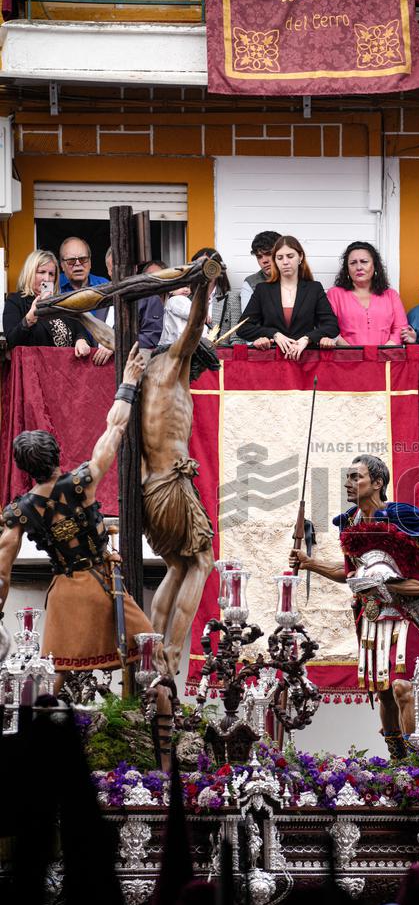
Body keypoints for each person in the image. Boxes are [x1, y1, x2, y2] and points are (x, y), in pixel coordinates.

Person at [0, 345, 153, 692]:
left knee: (56, 676)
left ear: (26, 468)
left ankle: (46, 739)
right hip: (102, 583)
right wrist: (128, 381)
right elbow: (115, 427)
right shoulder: (82, 483)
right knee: (149, 653)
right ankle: (160, 736)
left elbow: (1, 573)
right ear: (55, 453)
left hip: (66, 591)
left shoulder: (19, 513)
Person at [289, 455, 419, 760]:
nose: (349, 483)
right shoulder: (351, 524)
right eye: (348, 477)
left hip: (408, 617)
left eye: (356, 477)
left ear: (377, 483)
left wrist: (384, 585)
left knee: (404, 688)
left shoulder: (404, 521)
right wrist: (310, 563)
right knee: (384, 694)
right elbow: (350, 573)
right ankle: (399, 761)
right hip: (372, 619)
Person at [141, 264, 217, 676]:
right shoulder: (172, 366)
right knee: (201, 563)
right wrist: (204, 286)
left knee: (176, 565)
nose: (202, 370)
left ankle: (152, 646)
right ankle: (171, 651)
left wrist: (76, 313)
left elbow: (105, 336)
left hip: (149, 488)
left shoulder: (140, 370)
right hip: (171, 483)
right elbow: (190, 331)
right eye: (202, 362)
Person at [241, 236, 339, 360]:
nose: (285, 262)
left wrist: (307, 338)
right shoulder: (263, 290)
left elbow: (332, 325)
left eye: (290, 256)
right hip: (272, 361)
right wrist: (274, 334)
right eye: (280, 258)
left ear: (300, 257)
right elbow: (243, 327)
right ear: (275, 261)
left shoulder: (314, 288)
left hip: (306, 360)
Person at [1, 249, 92, 357]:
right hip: (35, 369)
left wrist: (81, 340)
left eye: (51, 274)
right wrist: (28, 320)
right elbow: (11, 341)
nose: (47, 278)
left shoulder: (61, 303)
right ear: (30, 273)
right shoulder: (16, 301)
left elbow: (80, 330)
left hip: (66, 369)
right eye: (41, 272)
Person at [326, 242, 407, 347]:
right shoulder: (335, 294)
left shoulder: (391, 295)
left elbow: (400, 328)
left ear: (375, 265)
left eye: (364, 262)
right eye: (353, 263)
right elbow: (328, 326)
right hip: (346, 358)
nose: (359, 267)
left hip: (385, 358)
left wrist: (383, 352)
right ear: (347, 268)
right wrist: (351, 352)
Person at [160, 248, 240, 346]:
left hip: (219, 356)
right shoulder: (185, 299)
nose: (203, 270)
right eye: (197, 267)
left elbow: (237, 338)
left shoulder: (231, 298)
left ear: (217, 269)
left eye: (207, 265)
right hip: (189, 355)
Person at [240, 230, 282, 311]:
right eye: (259, 257)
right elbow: (248, 320)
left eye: (268, 254)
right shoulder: (251, 282)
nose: (264, 260)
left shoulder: (298, 279)